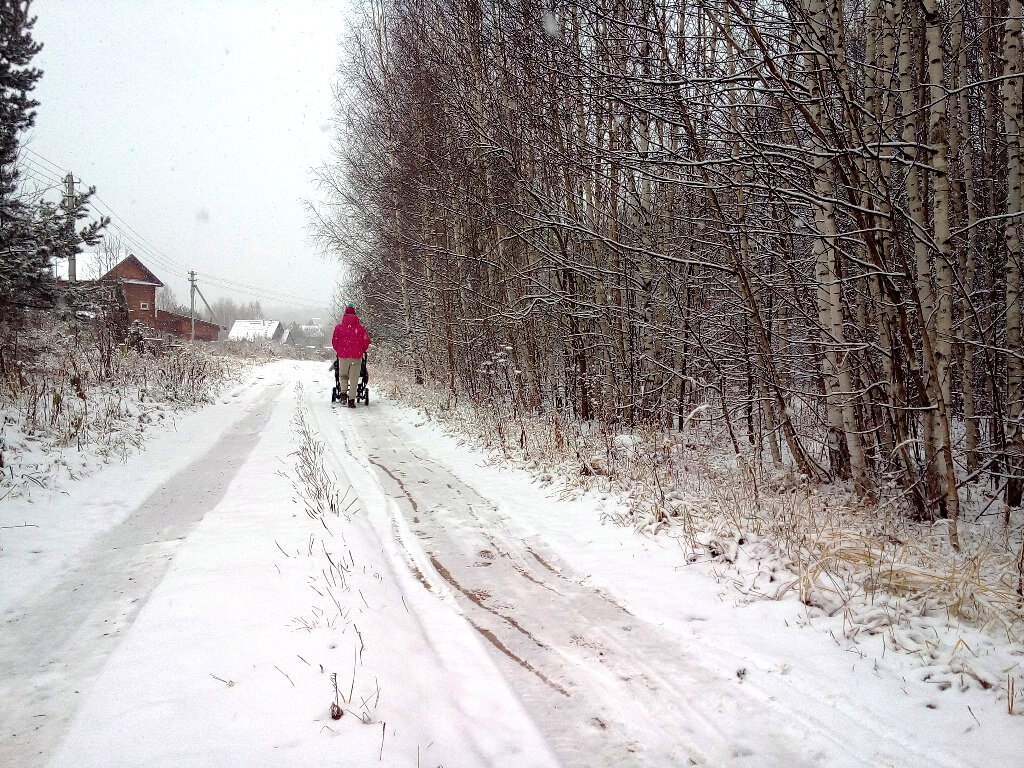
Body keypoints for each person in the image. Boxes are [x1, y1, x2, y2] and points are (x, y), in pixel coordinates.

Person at [332, 304, 371, 408]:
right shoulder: (361, 328)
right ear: (355, 315)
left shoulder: (339, 327)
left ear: (345, 314)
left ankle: (343, 393)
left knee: (343, 375)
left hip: (343, 356)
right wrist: (361, 350)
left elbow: (334, 341)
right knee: (354, 378)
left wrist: (339, 350)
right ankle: (351, 400)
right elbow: (366, 341)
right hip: (356, 357)